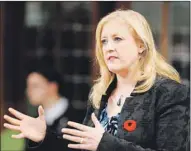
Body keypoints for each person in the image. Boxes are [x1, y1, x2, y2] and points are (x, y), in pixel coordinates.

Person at [3, 9, 190, 151]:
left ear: (141, 45)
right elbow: (83, 146)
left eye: (117, 39)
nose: (108, 47)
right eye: (104, 41)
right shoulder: (100, 93)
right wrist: (45, 137)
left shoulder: (170, 93)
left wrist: (105, 143)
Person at [14, 62, 78, 151]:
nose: (28, 91)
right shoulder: (34, 121)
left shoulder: (77, 118)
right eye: (28, 86)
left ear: (52, 87)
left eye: (35, 86)